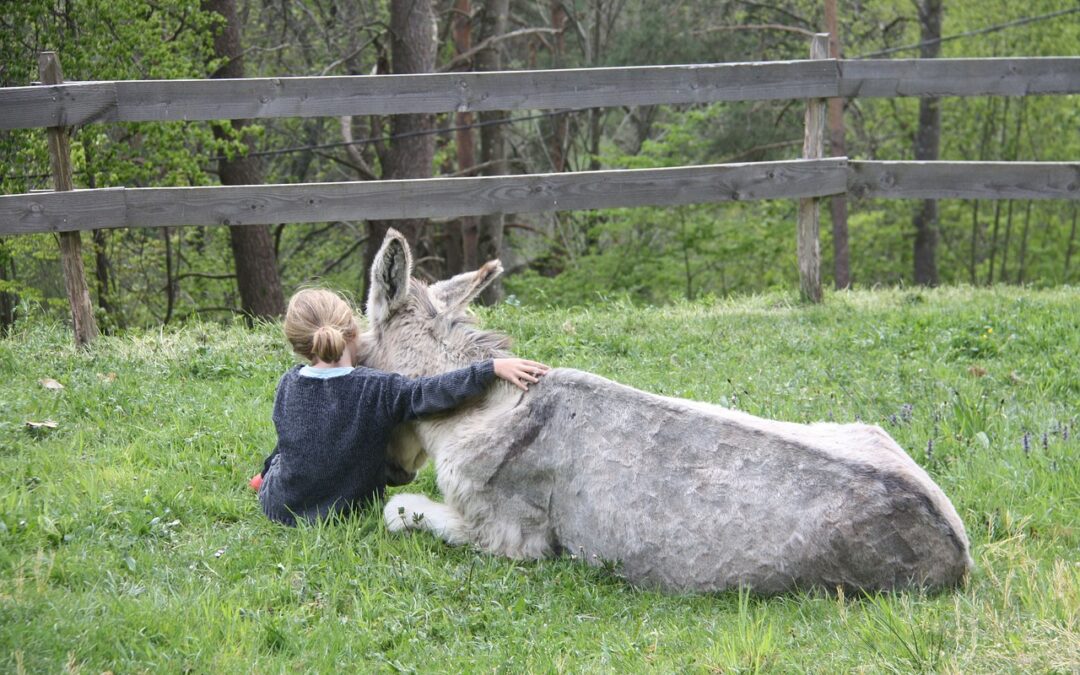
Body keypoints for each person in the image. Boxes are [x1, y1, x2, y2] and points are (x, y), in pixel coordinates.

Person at [256, 288, 549, 526]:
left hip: (284, 506)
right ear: (353, 332)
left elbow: (287, 441)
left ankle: (261, 479)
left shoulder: (288, 383)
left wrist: (269, 471)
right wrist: (489, 368)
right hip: (352, 506)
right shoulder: (378, 387)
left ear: (298, 347)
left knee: (280, 459)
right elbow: (431, 391)